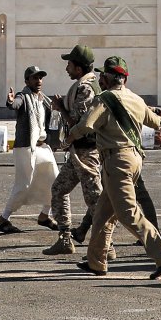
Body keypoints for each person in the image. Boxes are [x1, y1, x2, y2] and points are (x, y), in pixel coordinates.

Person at [69, 55, 161, 280]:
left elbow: (87, 124)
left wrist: (69, 136)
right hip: (134, 159)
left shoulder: (104, 99)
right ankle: (96, 262)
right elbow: (157, 123)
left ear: (108, 79)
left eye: (102, 76)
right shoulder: (136, 99)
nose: (100, 79)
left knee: (128, 212)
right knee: (102, 214)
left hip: (116, 160)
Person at [43, 44, 103, 257]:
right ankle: (65, 239)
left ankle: (107, 246)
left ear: (78, 68)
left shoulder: (86, 88)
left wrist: (60, 107)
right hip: (79, 152)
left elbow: (81, 124)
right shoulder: (84, 85)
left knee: (95, 201)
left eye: (69, 64)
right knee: (59, 189)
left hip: (88, 152)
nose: (67, 68)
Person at [0, 65, 58, 234]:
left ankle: (45, 215)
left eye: (40, 78)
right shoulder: (23, 96)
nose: (38, 81)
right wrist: (10, 101)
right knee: (23, 184)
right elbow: (15, 104)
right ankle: (4, 219)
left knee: (56, 181)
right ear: (27, 81)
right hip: (26, 147)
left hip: (42, 147)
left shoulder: (42, 99)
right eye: (34, 78)